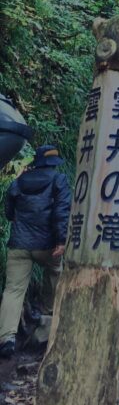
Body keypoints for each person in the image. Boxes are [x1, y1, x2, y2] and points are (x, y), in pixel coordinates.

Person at [0, 145, 71, 358]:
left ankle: (6, 338)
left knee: (13, 290)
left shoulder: (19, 181)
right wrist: (61, 240)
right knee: (55, 273)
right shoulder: (59, 181)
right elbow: (61, 212)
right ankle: (48, 316)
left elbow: (9, 211)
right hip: (47, 246)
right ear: (54, 163)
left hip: (19, 245)